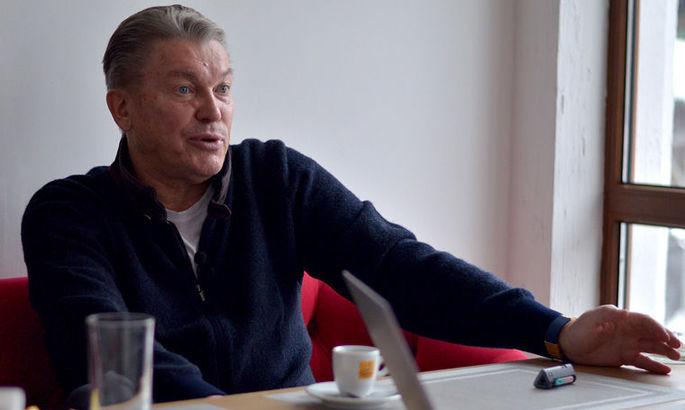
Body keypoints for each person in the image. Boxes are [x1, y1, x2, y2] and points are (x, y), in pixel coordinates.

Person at [21, 4, 681, 409]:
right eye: (185, 89)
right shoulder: (67, 214)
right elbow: (102, 354)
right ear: (123, 108)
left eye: (222, 88)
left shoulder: (275, 178)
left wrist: (556, 330)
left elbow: (398, 266)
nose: (213, 112)